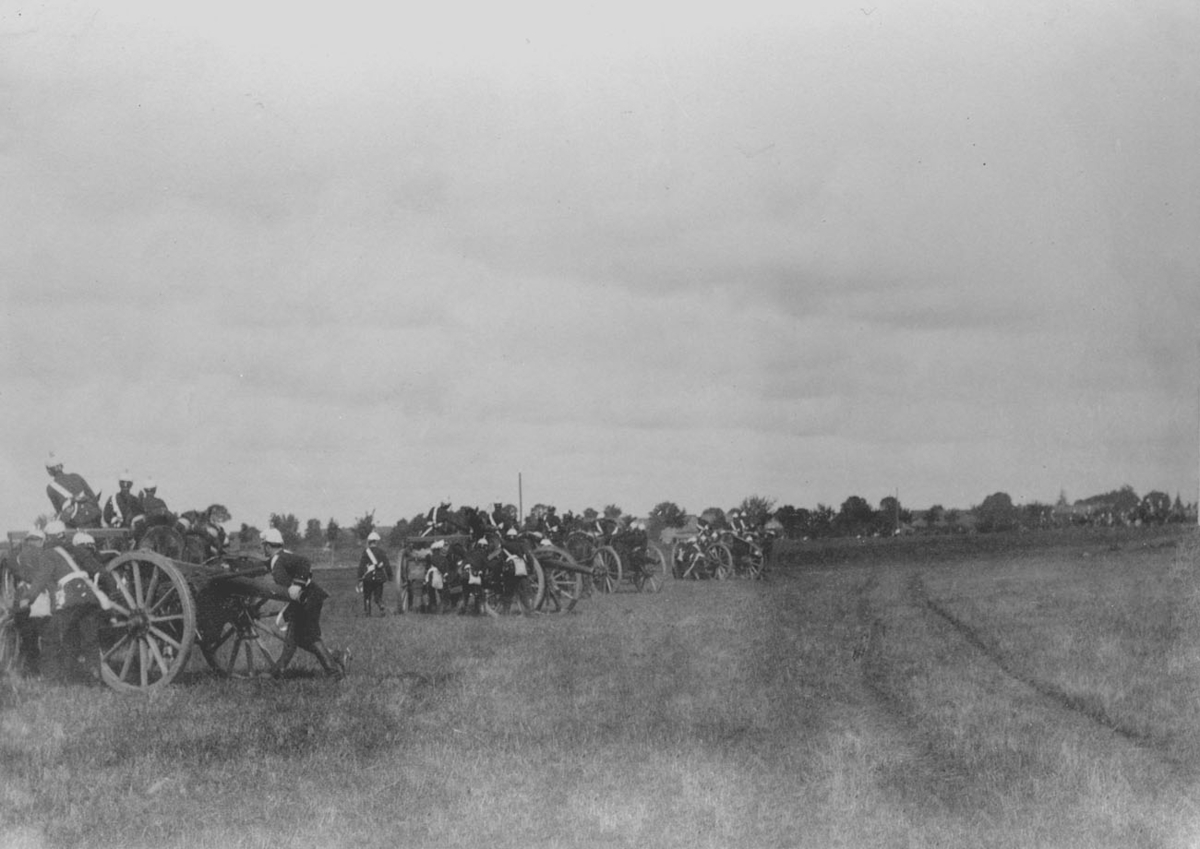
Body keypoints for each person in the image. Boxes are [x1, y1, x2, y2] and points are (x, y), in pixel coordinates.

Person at [16, 522, 113, 684]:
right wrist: (111, 591)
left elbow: (41, 578)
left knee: (51, 639)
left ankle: (52, 680)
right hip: (89, 598)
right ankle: (94, 677)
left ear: (49, 537)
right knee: (90, 639)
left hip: (69, 599)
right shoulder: (78, 550)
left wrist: (28, 598)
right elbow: (100, 571)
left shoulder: (48, 553)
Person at [261, 528, 348, 680]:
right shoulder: (279, 558)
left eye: (263, 545)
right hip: (305, 600)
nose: (262, 548)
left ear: (268, 546)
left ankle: (333, 672)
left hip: (308, 598)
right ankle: (338, 657)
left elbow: (304, 562)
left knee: (302, 638)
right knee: (299, 638)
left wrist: (298, 584)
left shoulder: (281, 558)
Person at [44, 454, 101, 529]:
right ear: (62, 466)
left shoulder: (50, 487)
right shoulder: (76, 476)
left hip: (75, 522)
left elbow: (59, 511)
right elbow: (93, 498)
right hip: (93, 516)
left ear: (49, 471)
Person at [356, 531, 393, 617]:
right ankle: (381, 605)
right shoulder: (381, 552)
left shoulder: (366, 552)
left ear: (369, 542)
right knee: (378, 596)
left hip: (368, 578)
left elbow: (361, 566)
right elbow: (387, 565)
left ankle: (368, 613)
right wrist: (390, 576)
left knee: (367, 596)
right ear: (376, 542)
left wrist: (360, 577)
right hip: (379, 577)